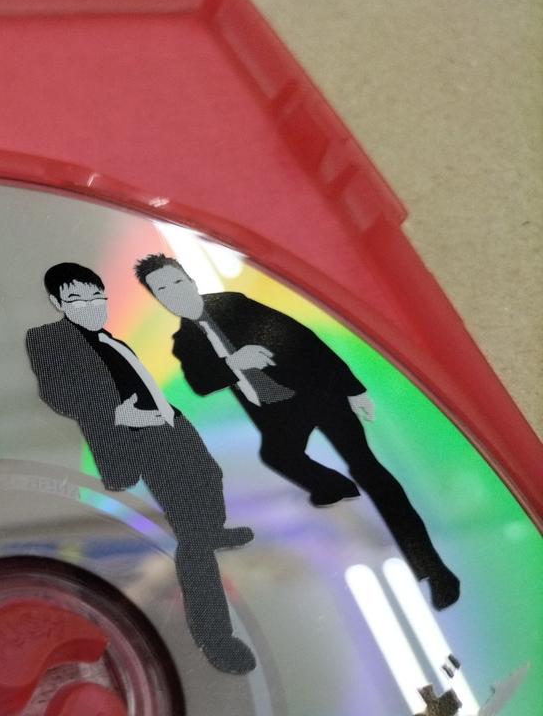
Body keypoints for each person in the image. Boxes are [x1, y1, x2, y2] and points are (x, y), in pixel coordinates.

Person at [133, 253, 460, 610]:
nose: (174, 293)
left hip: (316, 392)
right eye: (163, 290)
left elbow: (303, 339)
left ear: (191, 281)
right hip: (278, 414)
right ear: (157, 298)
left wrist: (353, 388)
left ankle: (433, 569)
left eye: (177, 282)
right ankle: (334, 486)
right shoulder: (185, 341)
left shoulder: (233, 306)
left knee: (369, 470)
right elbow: (201, 382)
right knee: (277, 455)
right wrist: (233, 362)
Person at [25, 262, 256, 674]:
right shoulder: (48, 338)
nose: (91, 306)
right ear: (57, 303)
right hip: (136, 437)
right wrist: (119, 414)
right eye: (78, 299)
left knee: (210, 476)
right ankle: (215, 638)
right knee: (193, 540)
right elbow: (57, 393)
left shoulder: (109, 339)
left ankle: (209, 528)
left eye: (97, 297)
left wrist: (169, 415)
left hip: (169, 425)